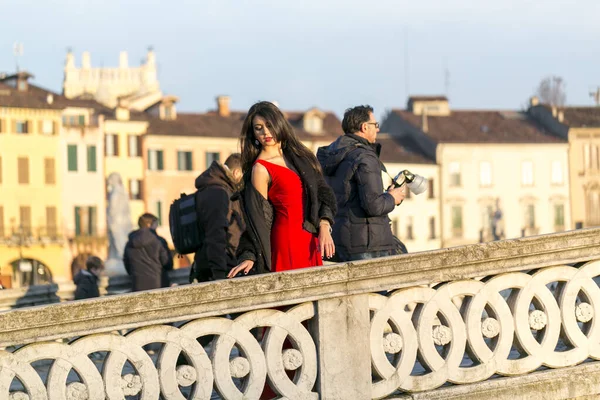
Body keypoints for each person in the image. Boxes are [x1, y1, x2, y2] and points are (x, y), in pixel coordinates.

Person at [227, 101, 337, 278]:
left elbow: (323, 191)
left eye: (269, 125)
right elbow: (259, 220)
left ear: (279, 124)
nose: (265, 132)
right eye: (258, 128)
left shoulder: (298, 156)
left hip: (310, 239)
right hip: (286, 241)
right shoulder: (260, 169)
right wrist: (250, 255)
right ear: (253, 133)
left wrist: (324, 224)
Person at [317, 105, 406, 261]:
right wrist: (392, 197)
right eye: (375, 125)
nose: (377, 130)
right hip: (368, 244)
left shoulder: (330, 155)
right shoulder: (365, 157)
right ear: (364, 127)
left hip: (340, 241)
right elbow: (374, 206)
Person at [191, 153, 245, 282]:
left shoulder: (213, 187)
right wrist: (219, 275)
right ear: (237, 173)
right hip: (221, 268)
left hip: (213, 264)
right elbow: (215, 234)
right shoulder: (218, 192)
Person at [123, 213, 173, 292]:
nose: (157, 227)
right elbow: (167, 263)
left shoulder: (129, 243)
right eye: (156, 224)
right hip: (159, 284)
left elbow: (127, 266)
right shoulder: (159, 241)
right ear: (149, 224)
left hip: (137, 286)